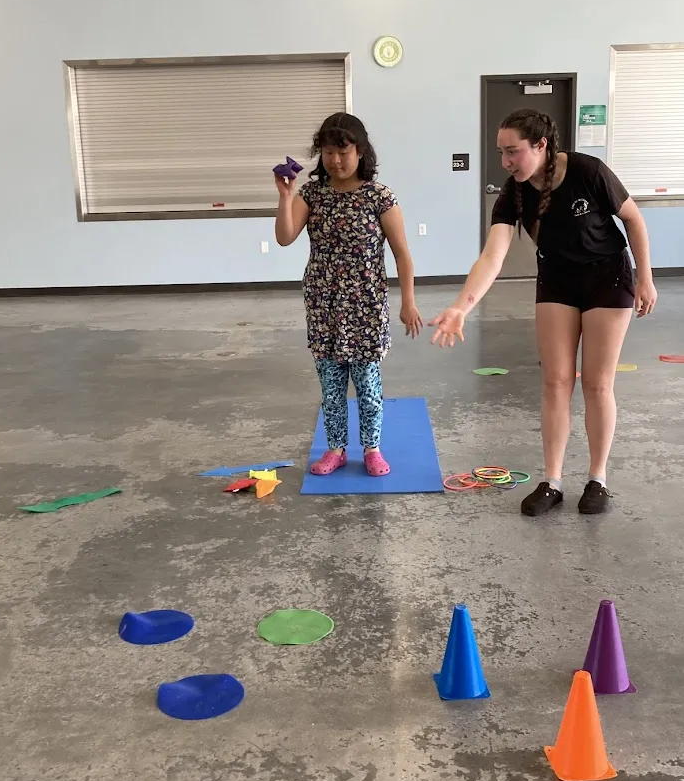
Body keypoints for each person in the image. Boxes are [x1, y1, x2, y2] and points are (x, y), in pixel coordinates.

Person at [429, 108, 658, 516]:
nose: (505, 162)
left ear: (541, 145)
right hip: (557, 278)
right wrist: (461, 307)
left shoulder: (589, 171)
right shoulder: (514, 193)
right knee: (555, 381)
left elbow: (634, 221)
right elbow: (492, 257)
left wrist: (646, 278)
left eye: (513, 151)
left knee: (597, 385)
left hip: (608, 276)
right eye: (501, 152)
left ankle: (597, 479)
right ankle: (552, 480)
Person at [275, 112, 423, 476]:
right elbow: (284, 236)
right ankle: (336, 449)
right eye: (328, 152)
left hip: (366, 304)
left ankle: (372, 448)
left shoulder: (379, 196)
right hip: (323, 303)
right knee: (331, 386)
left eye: (343, 152)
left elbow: (402, 254)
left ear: (360, 152)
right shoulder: (312, 194)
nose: (336, 161)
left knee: (368, 384)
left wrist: (408, 302)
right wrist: (285, 197)